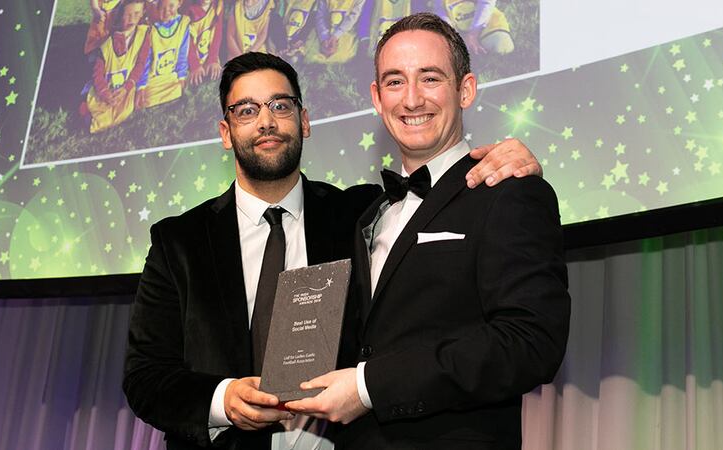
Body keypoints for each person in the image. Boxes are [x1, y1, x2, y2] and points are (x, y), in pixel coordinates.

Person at [122, 52, 543, 449]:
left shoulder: (360, 213)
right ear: (226, 133)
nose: (266, 122)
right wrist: (223, 398)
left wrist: (512, 158)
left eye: (280, 106)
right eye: (246, 111)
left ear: (304, 121)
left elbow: (435, 201)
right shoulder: (178, 241)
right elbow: (145, 376)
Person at [286, 13, 570, 450]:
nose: (412, 99)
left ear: (466, 89)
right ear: (377, 99)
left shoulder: (507, 193)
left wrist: (367, 387)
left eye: (430, 78)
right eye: (395, 82)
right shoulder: (366, 214)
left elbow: (530, 343)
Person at [83, 0, 149, 133]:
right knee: (98, 107)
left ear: (143, 13)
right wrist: (104, 92)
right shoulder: (107, 42)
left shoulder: (143, 35)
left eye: (137, 14)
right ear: (120, 16)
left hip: (124, 88)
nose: (132, 19)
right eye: (128, 15)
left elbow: (140, 64)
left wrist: (128, 87)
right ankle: (86, 112)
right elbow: (98, 72)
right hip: (106, 86)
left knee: (125, 111)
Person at [135, 0, 198, 108]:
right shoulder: (151, 30)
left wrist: (181, 76)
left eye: (171, 6)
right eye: (162, 7)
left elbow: (182, 54)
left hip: (171, 76)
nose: (166, 11)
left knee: (178, 88)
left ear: (180, 3)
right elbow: (145, 59)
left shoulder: (183, 24)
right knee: (147, 97)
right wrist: (142, 85)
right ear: (157, 7)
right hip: (154, 78)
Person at [442, 0, 514, 55]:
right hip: (458, 27)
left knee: (502, 47)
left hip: (488, 24)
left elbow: (486, 4)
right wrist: (453, 36)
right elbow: (441, 11)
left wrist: (473, 34)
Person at [186, 0, 225, 85]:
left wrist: (213, 59)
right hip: (189, 60)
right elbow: (186, 40)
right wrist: (194, 65)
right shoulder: (187, 9)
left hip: (208, 55)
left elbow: (217, 33)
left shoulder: (218, 5)